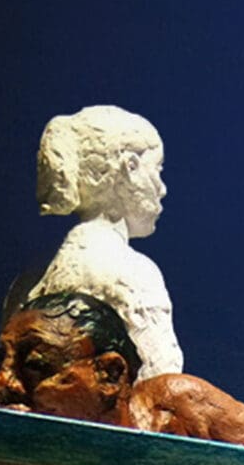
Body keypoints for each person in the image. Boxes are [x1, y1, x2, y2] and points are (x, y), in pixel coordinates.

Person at [0, 292, 244, 456]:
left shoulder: (178, 406)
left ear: (110, 374)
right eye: (1, 365)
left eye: (36, 366)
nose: (3, 384)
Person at [12, 107, 184, 377]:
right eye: (157, 170)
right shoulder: (134, 270)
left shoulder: (32, 276)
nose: (162, 189)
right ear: (130, 168)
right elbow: (158, 381)